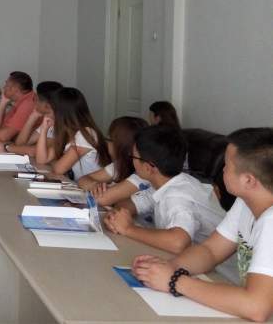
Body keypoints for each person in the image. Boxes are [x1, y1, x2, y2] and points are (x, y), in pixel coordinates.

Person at [132, 128, 273, 322]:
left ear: (248, 180)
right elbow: (210, 251)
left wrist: (175, 281)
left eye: (227, 165)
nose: (222, 170)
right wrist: (168, 267)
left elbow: (256, 307)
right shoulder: (246, 203)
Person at [104, 125, 226, 254]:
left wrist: (128, 229)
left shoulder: (177, 196)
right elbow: (130, 204)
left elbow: (178, 242)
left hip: (215, 265)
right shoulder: (164, 183)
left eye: (133, 157)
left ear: (149, 167)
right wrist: (117, 217)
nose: (132, 161)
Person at [35, 87, 110, 180]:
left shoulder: (86, 133)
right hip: (76, 185)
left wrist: (54, 161)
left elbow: (59, 169)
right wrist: (44, 130)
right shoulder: (66, 132)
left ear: (62, 112)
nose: (47, 112)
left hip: (89, 188)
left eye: (51, 109)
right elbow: (41, 160)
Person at [77, 116, 150, 206]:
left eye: (109, 139)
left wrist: (98, 190)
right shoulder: (120, 165)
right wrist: (94, 185)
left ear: (121, 146)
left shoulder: (143, 174)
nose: (106, 143)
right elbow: (82, 179)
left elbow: (102, 199)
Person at [0, 80, 62, 156]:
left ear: (47, 104)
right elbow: (20, 143)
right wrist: (33, 117)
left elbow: (36, 151)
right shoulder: (48, 120)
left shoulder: (59, 123)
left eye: (36, 98)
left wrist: (6, 147)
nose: (34, 100)